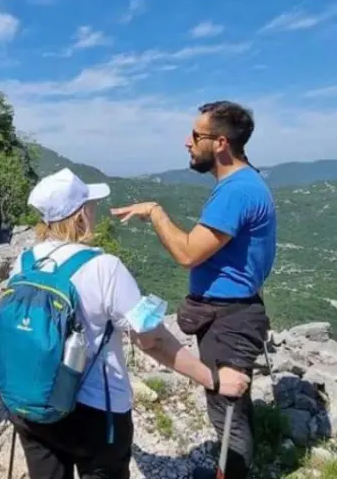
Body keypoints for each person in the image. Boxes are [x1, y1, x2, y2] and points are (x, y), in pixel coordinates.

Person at [11, 167, 251, 479]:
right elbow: (152, 340)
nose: (94, 211)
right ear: (81, 215)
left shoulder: (24, 262)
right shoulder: (102, 267)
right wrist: (214, 380)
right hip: (95, 412)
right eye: (91, 206)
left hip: (30, 401)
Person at [111, 101, 274, 479]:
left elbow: (187, 254)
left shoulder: (236, 191)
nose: (187, 142)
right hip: (235, 309)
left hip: (229, 317)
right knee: (231, 399)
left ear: (219, 143)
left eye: (195, 136)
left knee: (225, 406)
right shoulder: (247, 182)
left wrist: (155, 212)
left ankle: (231, 472)